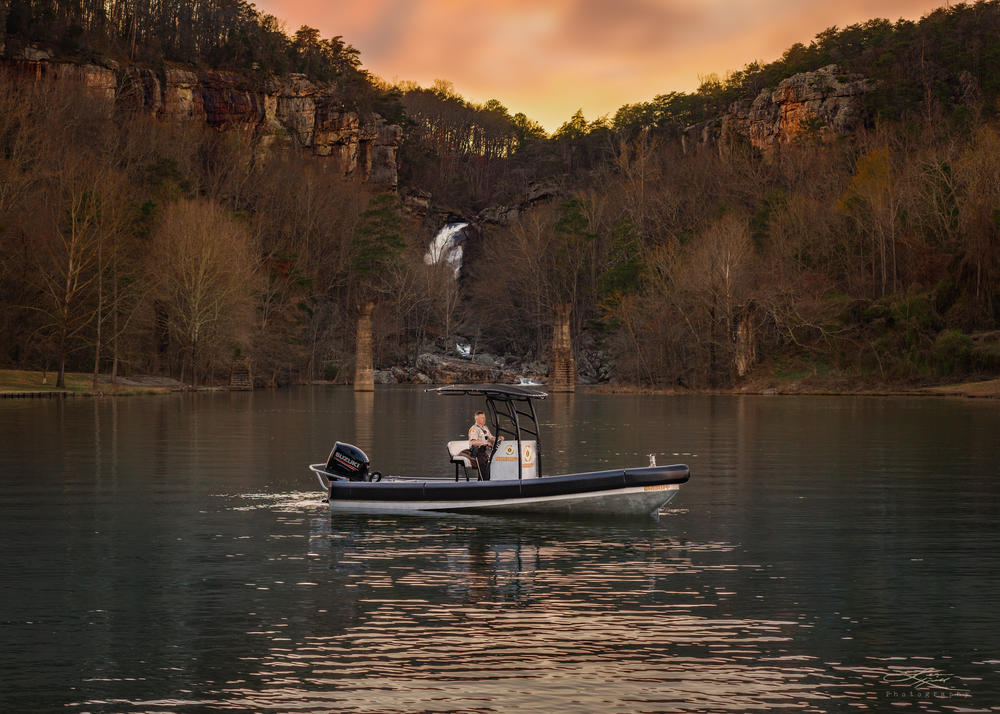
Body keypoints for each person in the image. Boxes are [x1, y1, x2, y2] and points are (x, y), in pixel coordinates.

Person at [468, 410, 502, 480]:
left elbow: (491, 438)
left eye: (484, 417)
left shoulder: (485, 428)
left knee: (490, 466)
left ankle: (486, 481)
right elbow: (473, 442)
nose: (484, 419)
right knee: (483, 470)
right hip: (477, 452)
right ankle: (483, 483)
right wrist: (485, 443)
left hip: (484, 452)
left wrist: (498, 438)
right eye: (482, 418)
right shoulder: (474, 429)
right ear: (477, 419)